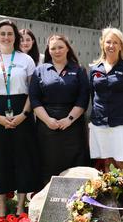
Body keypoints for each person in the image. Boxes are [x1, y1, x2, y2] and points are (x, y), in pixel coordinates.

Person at [0, 19, 39, 217]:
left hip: (23, 112)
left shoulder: (26, 60)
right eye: (2, 33)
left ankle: (21, 204)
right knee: (1, 159)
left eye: (10, 33)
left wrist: (24, 114)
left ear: (16, 37)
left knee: (23, 157)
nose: (6, 37)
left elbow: (33, 91)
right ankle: (3, 205)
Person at [29, 35, 89, 186]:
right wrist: (48, 120)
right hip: (47, 126)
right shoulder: (40, 71)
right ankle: (47, 200)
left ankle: (78, 203)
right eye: (53, 48)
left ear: (67, 48)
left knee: (75, 165)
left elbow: (83, 98)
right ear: (48, 51)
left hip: (73, 126)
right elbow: (34, 99)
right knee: (48, 162)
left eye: (60, 47)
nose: (57, 51)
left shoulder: (79, 70)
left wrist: (68, 120)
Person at [88, 28, 123, 172]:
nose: (111, 46)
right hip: (100, 123)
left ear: (120, 46)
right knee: (107, 163)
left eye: (115, 43)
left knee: (122, 163)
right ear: (103, 44)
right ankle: (111, 195)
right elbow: (93, 97)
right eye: (108, 42)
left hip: (122, 124)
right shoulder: (94, 69)